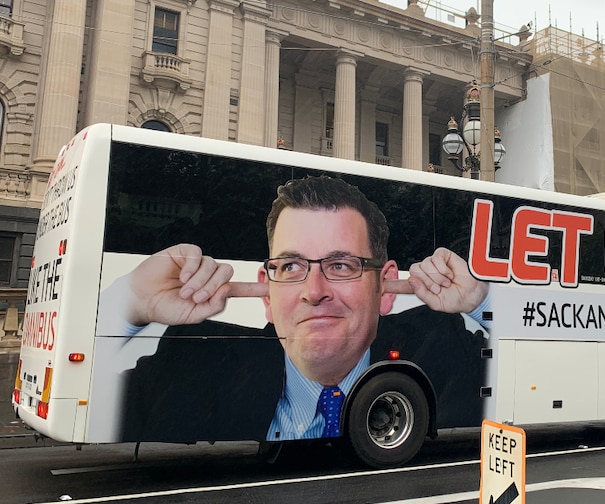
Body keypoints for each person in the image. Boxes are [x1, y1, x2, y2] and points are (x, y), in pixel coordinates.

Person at [109, 175, 489, 443]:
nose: (314, 292)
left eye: (341, 266)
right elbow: (82, 395)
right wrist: (129, 303)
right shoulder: (190, 363)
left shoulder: (444, 346)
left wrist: (479, 302)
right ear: (266, 295)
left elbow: (528, 361)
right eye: (290, 267)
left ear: (384, 288)